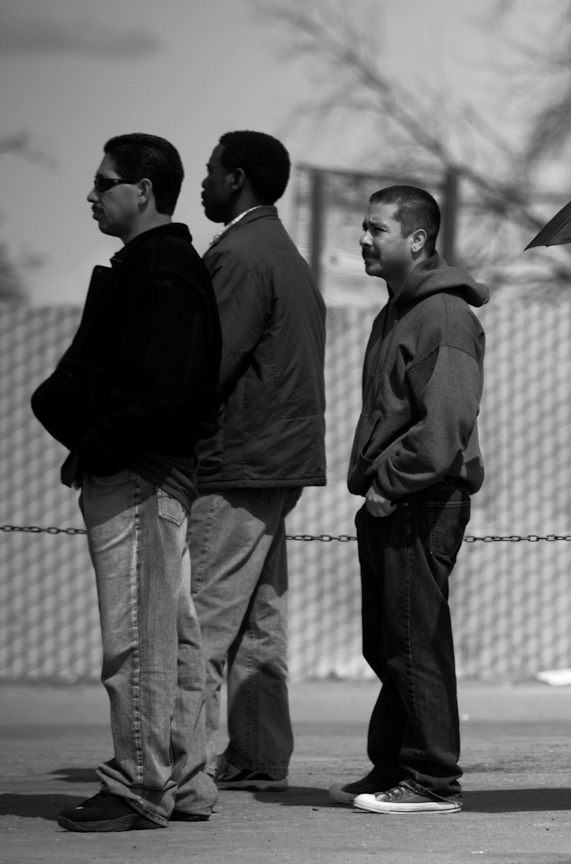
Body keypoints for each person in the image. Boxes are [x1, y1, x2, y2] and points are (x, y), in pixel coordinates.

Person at [32, 134, 222, 831]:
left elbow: (159, 391)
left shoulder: (160, 270)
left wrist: (99, 450)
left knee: (138, 639)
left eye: (105, 182)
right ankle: (187, 778)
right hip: (151, 473)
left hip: (139, 478)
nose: (92, 195)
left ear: (141, 189)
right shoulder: (159, 265)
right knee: (171, 635)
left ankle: (140, 786)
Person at [327, 185, 488, 815]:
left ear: (417, 239)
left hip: (420, 499)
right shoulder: (396, 311)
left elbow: (443, 426)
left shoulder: (443, 317)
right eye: (363, 229)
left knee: (415, 640)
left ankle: (430, 780)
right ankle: (392, 766)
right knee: (388, 642)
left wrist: (387, 490)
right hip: (394, 498)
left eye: (377, 230)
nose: (363, 240)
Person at [193, 130, 327, 793]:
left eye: (211, 170)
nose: (202, 182)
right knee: (257, 616)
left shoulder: (241, 256)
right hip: (279, 461)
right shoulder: (282, 251)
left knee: (207, 620)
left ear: (236, 177)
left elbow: (209, 365)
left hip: (238, 459)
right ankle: (257, 752)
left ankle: (171, 763)